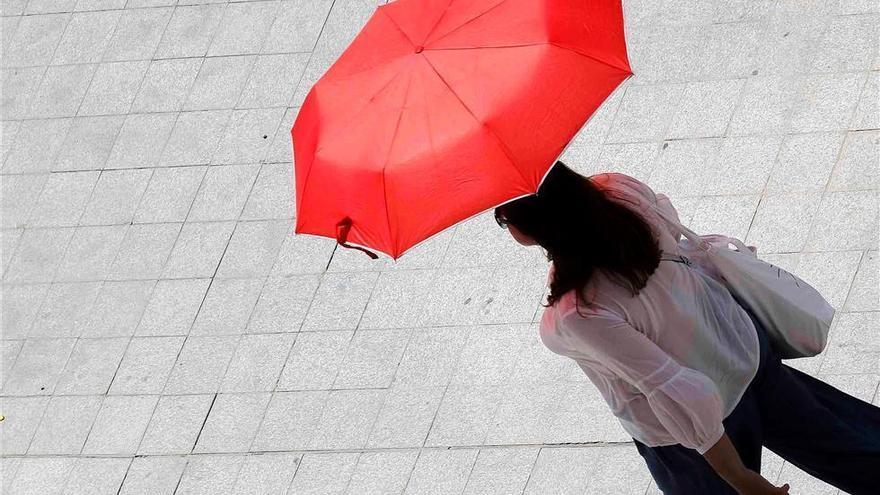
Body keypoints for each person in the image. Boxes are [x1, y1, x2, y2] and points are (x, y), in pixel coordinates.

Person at [493, 160, 880, 494]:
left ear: (535, 227)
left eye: (504, 219)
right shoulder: (618, 191)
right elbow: (668, 222)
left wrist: (742, 479)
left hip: (699, 435)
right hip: (741, 350)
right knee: (844, 443)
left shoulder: (578, 311)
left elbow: (676, 389)